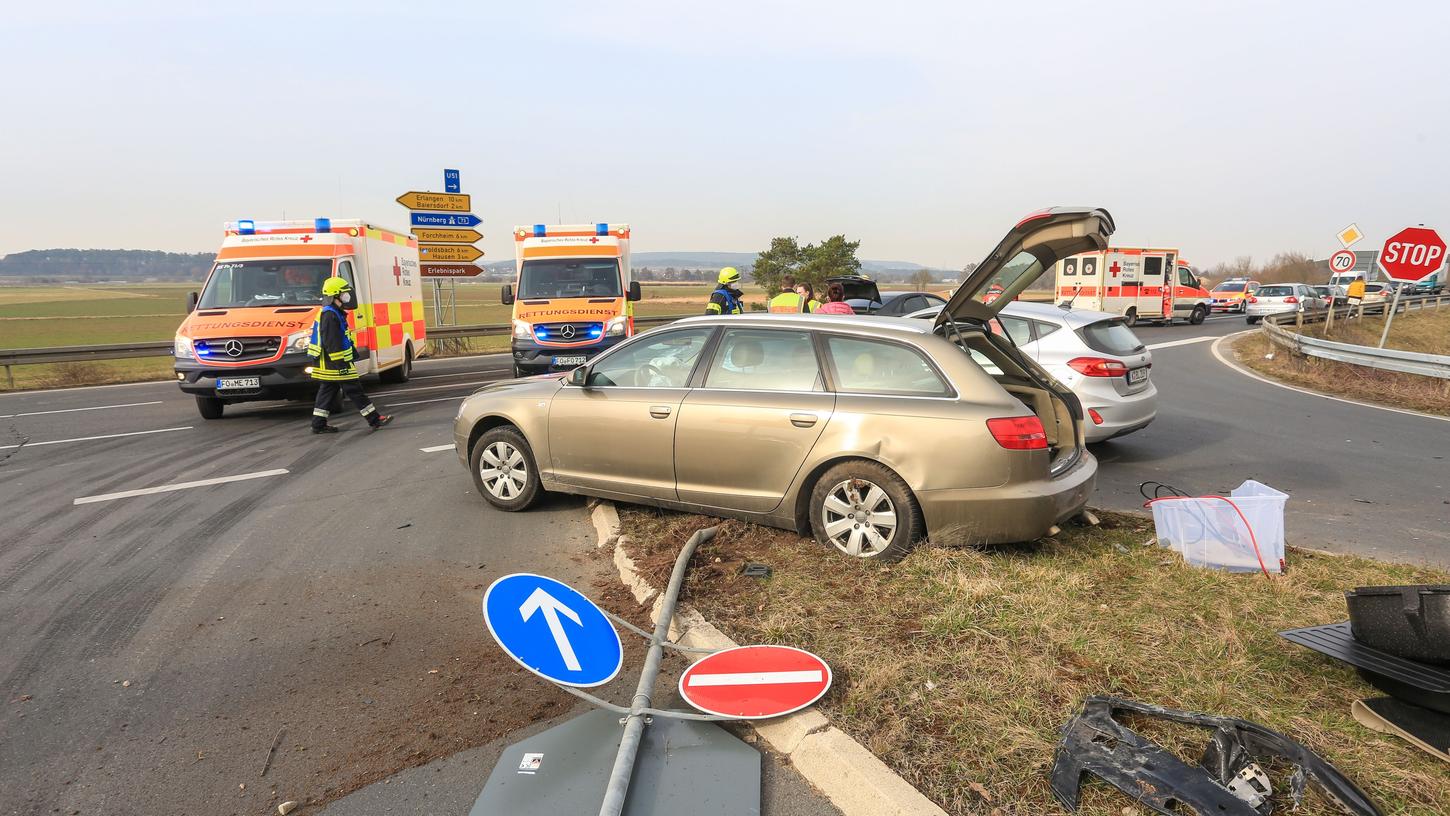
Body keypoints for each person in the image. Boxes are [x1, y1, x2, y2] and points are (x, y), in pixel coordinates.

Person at [307, 276, 393, 434]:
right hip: (335, 363)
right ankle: (375, 419)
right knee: (355, 390)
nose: (347, 295)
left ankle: (318, 424)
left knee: (327, 391)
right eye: (344, 293)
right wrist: (341, 363)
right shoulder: (330, 315)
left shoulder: (332, 312)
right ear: (335, 295)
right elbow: (332, 342)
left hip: (329, 363)